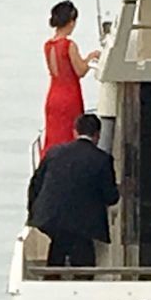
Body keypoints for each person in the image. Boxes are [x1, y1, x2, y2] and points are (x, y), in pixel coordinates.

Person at [28, 112, 119, 270]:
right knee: (83, 255)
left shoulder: (54, 152)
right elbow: (110, 197)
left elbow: (35, 184)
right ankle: (81, 281)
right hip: (83, 224)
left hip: (50, 217)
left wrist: (33, 212)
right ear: (97, 134)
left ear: (75, 132)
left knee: (59, 244)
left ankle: (53, 276)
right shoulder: (102, 159)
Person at [43, 0, 100, 155]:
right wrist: (90, 58)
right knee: (70, 135)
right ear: (70, 21)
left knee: (53, 135)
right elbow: (80, 71)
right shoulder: (69, 45)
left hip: (53, 95)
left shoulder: (48, 45)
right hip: (69, 95)